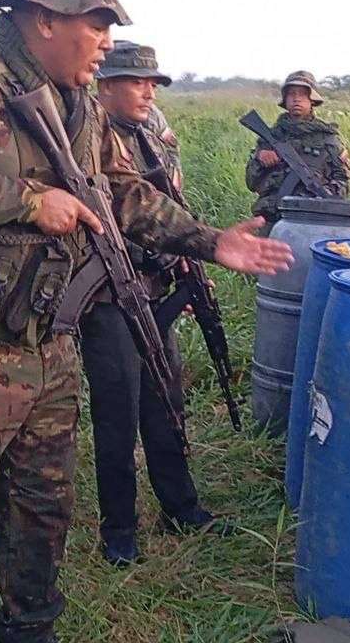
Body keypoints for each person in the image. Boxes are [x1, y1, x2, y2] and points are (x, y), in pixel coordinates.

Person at [0, 0, 293, 642]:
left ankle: (30, 629)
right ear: (44, 19)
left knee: (43, 519)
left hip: (49, 346)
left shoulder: (79, 105)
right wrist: (29, 200)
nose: (107, 42)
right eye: (97, 24)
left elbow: (118, 190)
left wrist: (209, 240)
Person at [82, 40, 220, 567]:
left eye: (152, 83)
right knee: (118, 411)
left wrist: (184, 260)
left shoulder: (151, 132)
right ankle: (119, 527)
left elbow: (168, 201)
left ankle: (179, 506)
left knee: (167, 399)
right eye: (136, 82)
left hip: (155, 286)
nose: (147, 91)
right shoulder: (86, 133)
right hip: (109, 292)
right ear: (106, 85)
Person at [245, 71, 350, 231]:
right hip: (273, 220)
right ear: (285, 100)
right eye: (291, 94)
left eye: (302, 94)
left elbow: (343, 180)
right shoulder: (271, 137)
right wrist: (260, 160)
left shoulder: (329, 140)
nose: (296, 99)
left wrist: (324, 195)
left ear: (312, 100)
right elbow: (251, 182)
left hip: (314, 220)